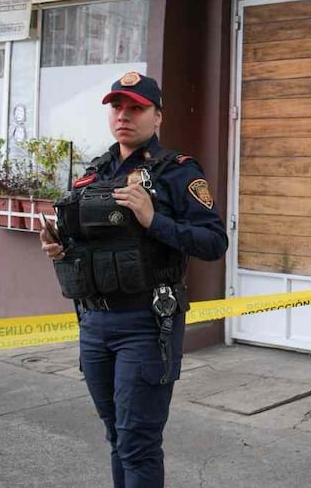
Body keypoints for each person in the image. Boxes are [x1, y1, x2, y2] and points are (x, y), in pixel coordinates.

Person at [39, 71, 228, 488]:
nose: (124, 115)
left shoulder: (178, 172)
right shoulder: (94, 172)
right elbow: (88, 247)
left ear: (158, 116)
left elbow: (214, 243)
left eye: (136, 108)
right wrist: (60, 249)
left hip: (147, 325)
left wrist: (153, 220)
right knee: (116, 437)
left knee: (138, 443)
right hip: (94, 324)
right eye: (117, 107)